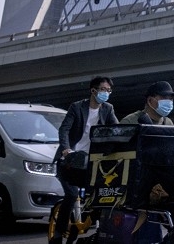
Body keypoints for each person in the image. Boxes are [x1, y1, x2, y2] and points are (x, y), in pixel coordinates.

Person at [50, 76, 117, 244]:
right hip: (70, 161)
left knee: (99, 196)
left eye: (109, 91)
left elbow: (116, 129)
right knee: (71, 195)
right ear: (93, 90)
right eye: (103, 90)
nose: (106, 93)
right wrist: (66, 149)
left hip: (91, 162)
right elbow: (64, 129)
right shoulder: (77, 107)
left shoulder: (108, 109)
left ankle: (85, 226)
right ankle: (58, 234)